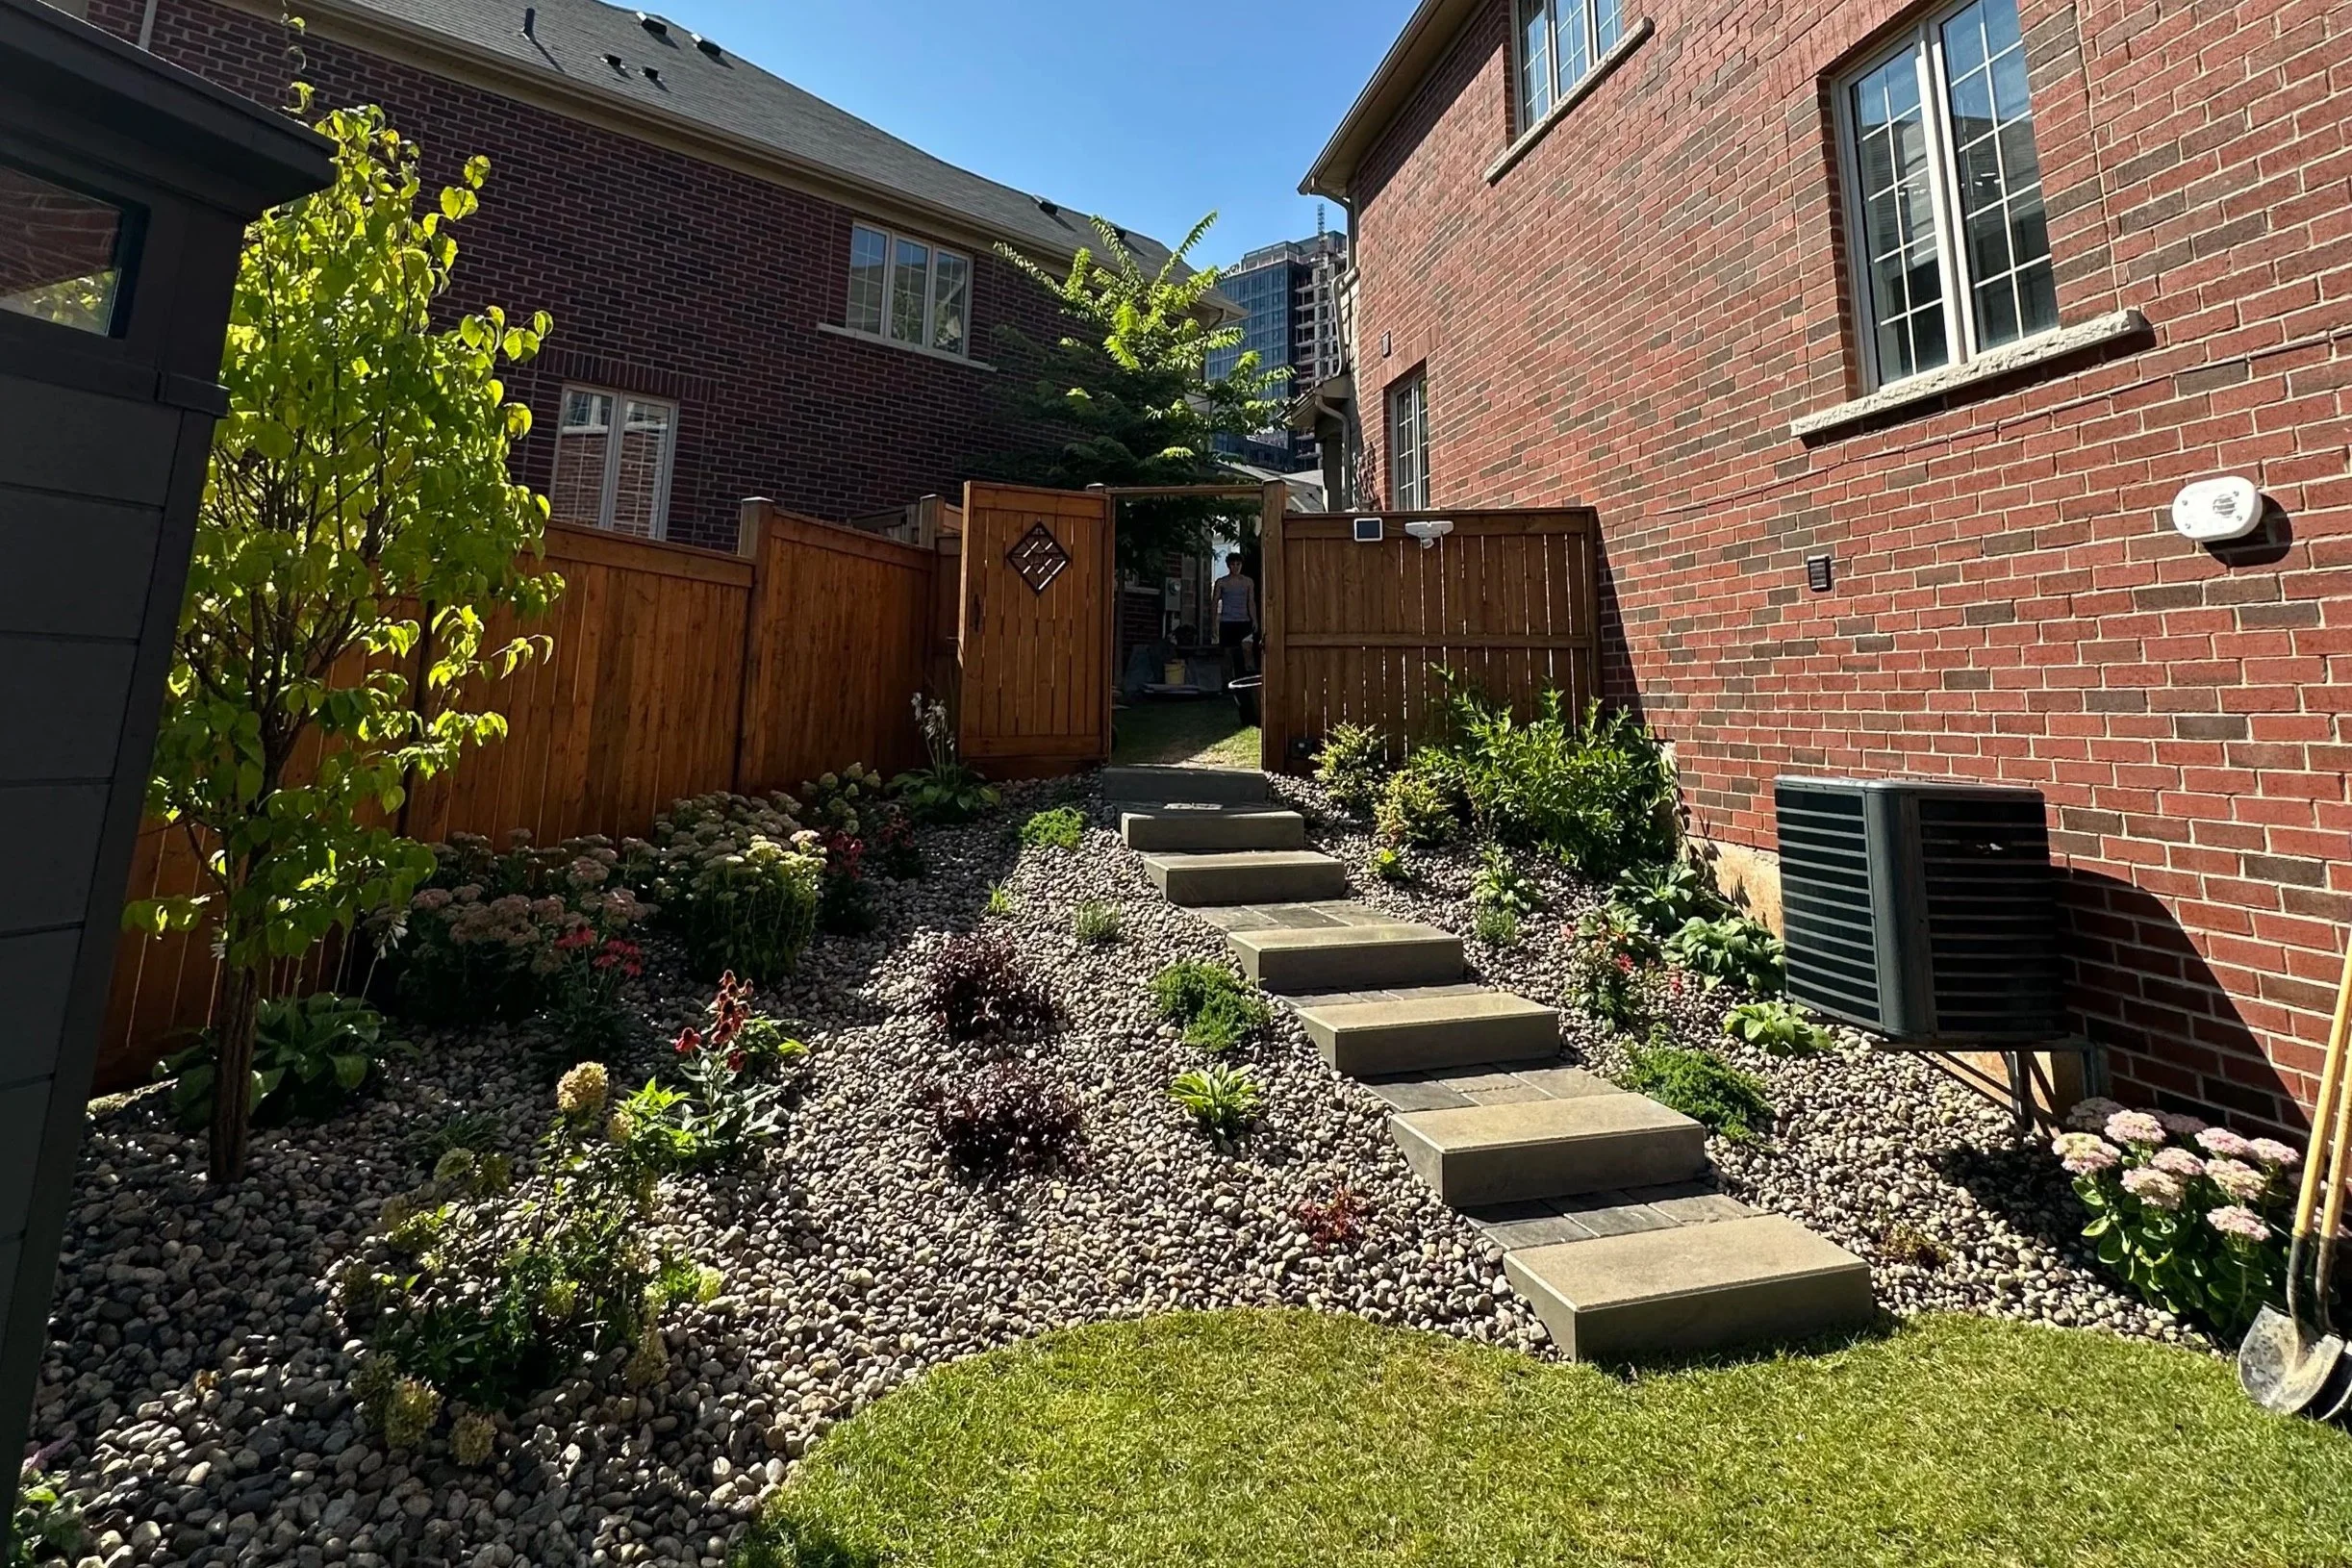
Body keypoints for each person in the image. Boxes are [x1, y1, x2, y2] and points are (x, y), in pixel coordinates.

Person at [1211, 553, 1258, 677]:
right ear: (1228, 566)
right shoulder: (1222, 582)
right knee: (1227, 653)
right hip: (1227, 621)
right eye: (1233, 564)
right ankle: (1226, 684)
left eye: (1238, 564)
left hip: (1244, 621)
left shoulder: (1248, 582)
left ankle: (1250, 680)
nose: (1236, 567)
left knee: (1247, 649)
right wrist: (1213, 624)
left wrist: (1255, 620)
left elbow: (1251, 601)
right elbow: (1215, 602)